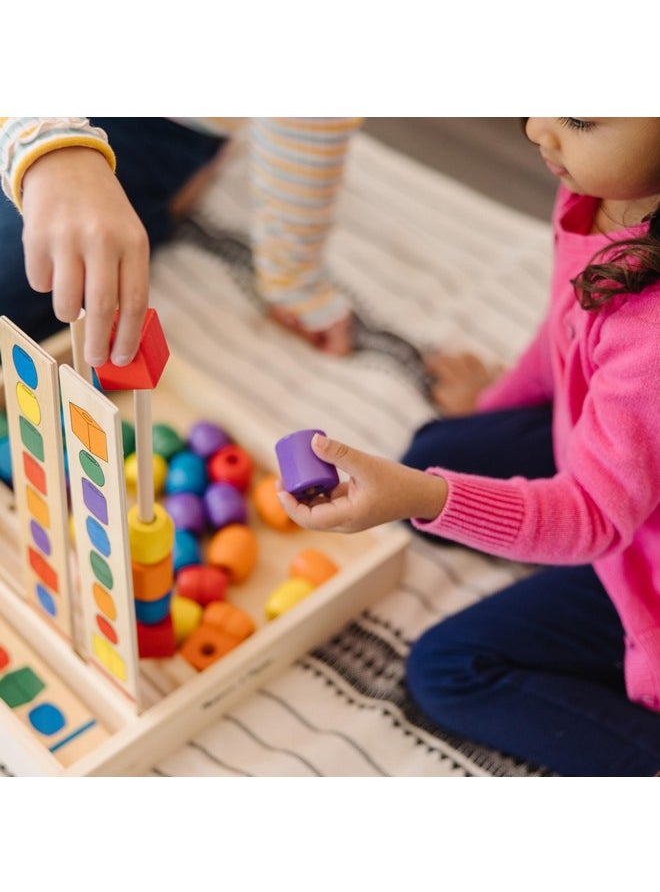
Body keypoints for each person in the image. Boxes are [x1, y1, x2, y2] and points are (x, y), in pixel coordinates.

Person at [277, 118, 660, 777]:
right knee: (435, 449)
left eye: (581, 115)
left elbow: (594, 519)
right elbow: (566, 327)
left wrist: (426, 499)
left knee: (449, 670)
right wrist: (493, 409)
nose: (540, 127)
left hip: (637, 553)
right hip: (613, 456)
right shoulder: (600, 193)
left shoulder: (650, 332)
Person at [0, 117, 360, 366]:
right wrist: (40, 138)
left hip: (155, 127)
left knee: (38, 278)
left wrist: (294, 284)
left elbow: (309, 129)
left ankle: (168, 192)